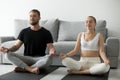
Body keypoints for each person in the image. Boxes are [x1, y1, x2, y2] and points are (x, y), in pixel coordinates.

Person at [0, 9, 55, 74]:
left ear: (39, 18)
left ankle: (24, 69)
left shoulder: (46, 32)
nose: (32, 18)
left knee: (49, 59)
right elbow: (16, 46)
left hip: (40, 59)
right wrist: (8, 49)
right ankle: (30, 69)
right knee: (7, 55)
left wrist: (52, 51)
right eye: (30, 16)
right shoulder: (24, 32)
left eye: (34, 16)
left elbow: (51, 47)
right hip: (26, 58)